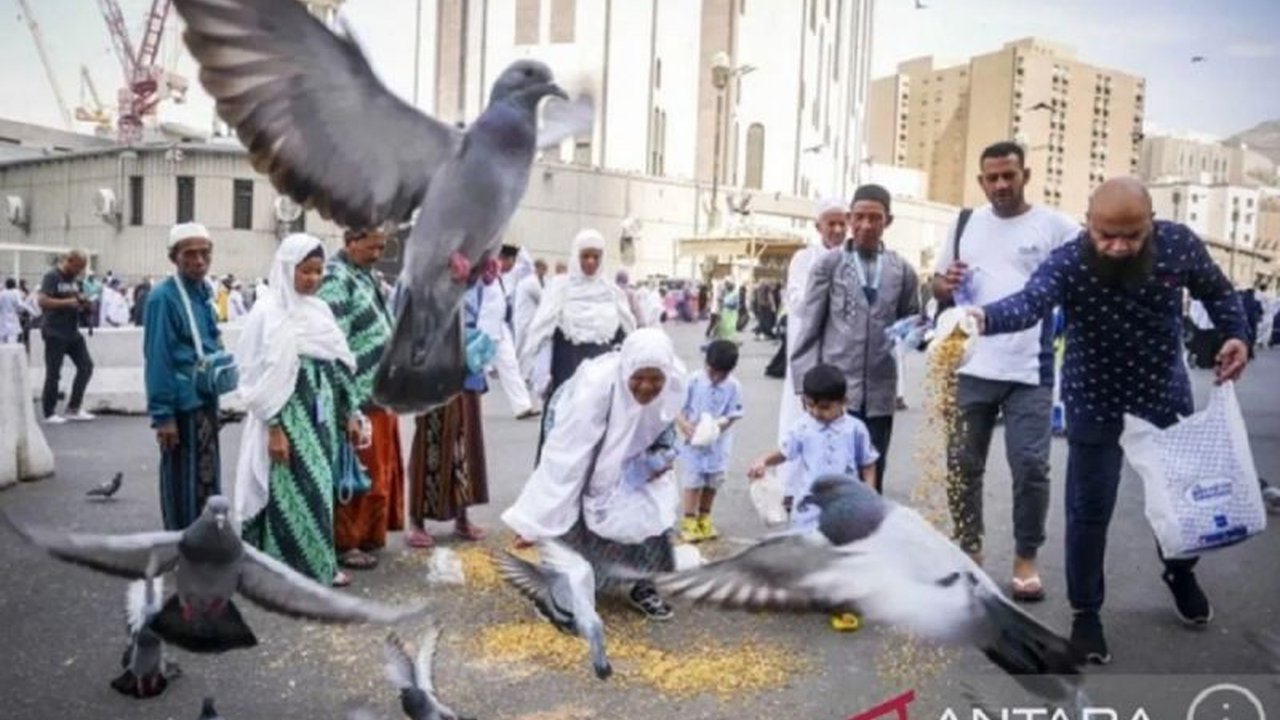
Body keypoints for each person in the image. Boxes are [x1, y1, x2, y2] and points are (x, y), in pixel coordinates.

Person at [970, 177, 1250, 664]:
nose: (1119, 246)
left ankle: (1180, 572)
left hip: (1162, 394)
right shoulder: (1069, 260)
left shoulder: (1178, 244)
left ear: (1151, 224)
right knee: (1088, 510)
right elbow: (1031, 302)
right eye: (1106, 235)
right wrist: (980, 318)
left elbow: (1219, 293)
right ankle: (1087, 614)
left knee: (1179, 498)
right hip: (1094, 399)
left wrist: (1236, 334)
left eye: (1132, 235)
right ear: (1088, 224)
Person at [931, 141, 1081, 600]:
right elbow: (936, 284)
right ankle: (969, 552)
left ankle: (1025, 560)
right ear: (981, 181)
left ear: (1025, 175)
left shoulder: (1058, 227)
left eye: (1008, 176)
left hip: (1028, 370)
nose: (1000, 185)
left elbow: (1082, 281)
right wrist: (945, 283)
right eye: (991, 178)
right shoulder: (964, 223)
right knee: (962, 464)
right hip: (968, 364)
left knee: (1031, 466)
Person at [504, 328, 686, 621]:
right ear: (625, 369)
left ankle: (644, 585)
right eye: (638, 377)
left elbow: (664, 428)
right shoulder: (594, 391)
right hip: (577, 434)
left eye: (656, 379)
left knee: (651, 508)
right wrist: (534, 519)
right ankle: (558, 594)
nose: (646, 387)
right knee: (572, 503)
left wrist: (660, 458)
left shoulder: (675, 383)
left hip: (633, 455)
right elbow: (564, 464)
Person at [235, 234, 364, 587]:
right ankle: (284, 570)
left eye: (319, 271)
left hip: (321, 422)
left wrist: (350, 412)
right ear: (287, 269)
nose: (313, 279)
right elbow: (257, 376)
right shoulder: (268, 313)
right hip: (287, 422)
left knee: (320, 490)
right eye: (305, 271)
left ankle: (319, 565)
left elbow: (341, 365)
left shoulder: (319, 311)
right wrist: (274, 428)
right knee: (288, 494)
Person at [791, 185, 920, 489]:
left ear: (888, 221)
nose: (865, 226)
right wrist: (806, 386)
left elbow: (911, 321)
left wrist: (923, 331)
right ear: (849, 218)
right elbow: (810, 327)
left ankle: (869, 532)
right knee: (831, 468)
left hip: (879, 391)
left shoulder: (902, 271)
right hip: (835, 387)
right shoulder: (830, 264)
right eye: (859, 217)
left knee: (873, 465)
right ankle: (832, 533)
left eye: (874, 218)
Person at [748, 363, 878, 632]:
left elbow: (868, 463)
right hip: (809, 506)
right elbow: (785, 452)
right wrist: (763, 460)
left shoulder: (855, 429)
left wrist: (870, 491)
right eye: (811, 406)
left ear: (843, 401)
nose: (817, 413)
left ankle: (841, 601)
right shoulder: (803, 428)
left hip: (846, 507)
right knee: (806, 550)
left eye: (824, 407)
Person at [317, 227, 406, 572]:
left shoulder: (366, 276)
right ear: (350, 242)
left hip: (380, 395)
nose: (377, 254)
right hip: (357, 395)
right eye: (371, 247)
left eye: (382, 247)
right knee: (356, 470)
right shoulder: (337, 280)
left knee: (378, 470)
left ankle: (369, 534)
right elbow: (336, 343)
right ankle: (346, 541)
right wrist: (347, 404)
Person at [521, 229, 636, 460]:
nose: (591, 262)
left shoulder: (612, 293)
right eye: (585, 256)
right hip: (566, 374)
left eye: (596, 256)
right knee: (562, 437)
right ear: (576, 256)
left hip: (602, 380)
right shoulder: (560, 289)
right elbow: (542, 332)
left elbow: (629, 335)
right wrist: (540, 374)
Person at [144, 224, 224, 530]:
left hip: (204, 402)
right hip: (180, 407)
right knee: (183, 480)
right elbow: (158, 357)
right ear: (173, 257)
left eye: (205, 253)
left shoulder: (203, 292)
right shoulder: (163, 298)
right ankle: (182, 545)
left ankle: (206, 541)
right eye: (190, 254)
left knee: (206, 478)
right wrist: (163, 415)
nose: (200, 261)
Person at [406, 276, 493, 547]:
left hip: (467, 371)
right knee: (431, 444)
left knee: (466, 445)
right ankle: (416, 521)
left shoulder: (476, 281)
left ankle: (462, 518)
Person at [775, 199, 849, 482]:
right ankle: (792, 483)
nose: (838, 229)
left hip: (841, 348)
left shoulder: (854, 258)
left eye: (843, 223)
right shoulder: (803, 258)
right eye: (832, 223)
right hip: (808, 347)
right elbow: (797, 301)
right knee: (800, 413)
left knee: (836, 415)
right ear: (819, 226)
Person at [675, 340, 743, 543]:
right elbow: (677, 408)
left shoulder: (734, 387)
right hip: (693, 443)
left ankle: (705, 516)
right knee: (693, 481)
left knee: (712, 482)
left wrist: (717, 428)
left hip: (717, 445)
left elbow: (734, 414)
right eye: (711, 372)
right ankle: (688, 520)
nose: (714, 378)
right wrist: (685, 425)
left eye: (720, 375)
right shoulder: (694, 381)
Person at [37, 250, 95, 423]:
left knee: (86, 366)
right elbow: (43, 301)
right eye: (77, 267)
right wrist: (68, 302)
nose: (78, 272)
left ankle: (73, 408)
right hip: (54, 331)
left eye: (81, 269)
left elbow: (78, 301)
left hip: (72, 331)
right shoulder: (52, 276)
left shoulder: (75, 281)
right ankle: (49, 412)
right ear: (69, 261)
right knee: (54, 372)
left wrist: (85, 303)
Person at [487, 245, 539, 420]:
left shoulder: (502, 276)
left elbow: (527, 264)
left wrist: (520, 247)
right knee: (471, 371)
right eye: (510, 261)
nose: (512, 265)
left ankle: (522, 407)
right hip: (483, 329)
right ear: (502, 258)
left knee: (510, 365)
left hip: (500, 328)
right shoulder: (485, 272)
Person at [0, 278, 21, 343]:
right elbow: (19, 305)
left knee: (2, 338)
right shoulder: (16, 293)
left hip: (3, 317)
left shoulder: (2, 293)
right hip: (13, 317)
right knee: (12, 339)